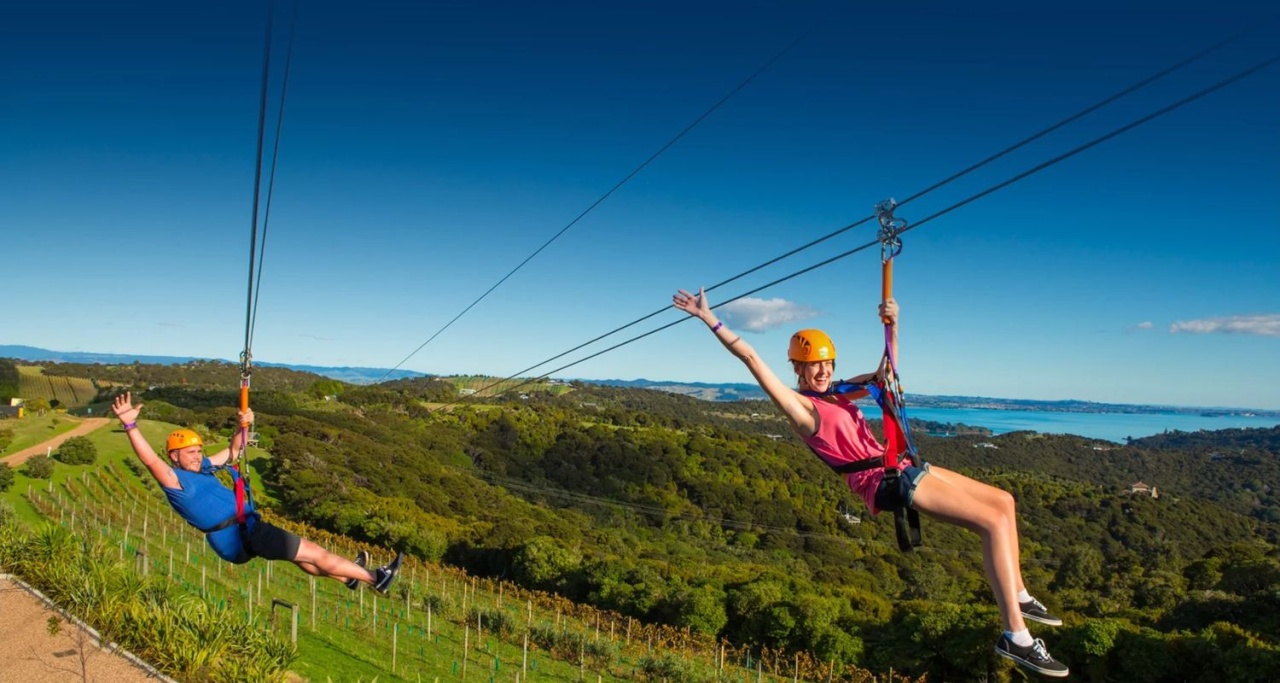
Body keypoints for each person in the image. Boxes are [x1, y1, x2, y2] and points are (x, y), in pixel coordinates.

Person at [672, 288, 1068, 678]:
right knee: (992, 523)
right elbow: (751, 357)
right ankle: (1014, 635)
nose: (823, 371)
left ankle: (1017, 594)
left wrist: (893, 326)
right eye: (814, 365)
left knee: (1004, 501)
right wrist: (710, 318)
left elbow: (886, 373)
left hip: (900, 463)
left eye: (827, 363)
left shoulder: (841, 393)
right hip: (884, 481)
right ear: (797, 369)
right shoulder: (802, 409)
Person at [111, 392, 402, 593]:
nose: (198, 456)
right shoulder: (175, 481)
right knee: (316, 552)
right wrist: (130, 424)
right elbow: (149, 460)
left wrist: (244, 425)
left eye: (199, 450)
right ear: (174, 457)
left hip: (241, 535)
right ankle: (376, 578)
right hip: (241, 534)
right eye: (190, 452)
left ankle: (345, 577)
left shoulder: (203, 469)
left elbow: (236, 449)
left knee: (303, 559)